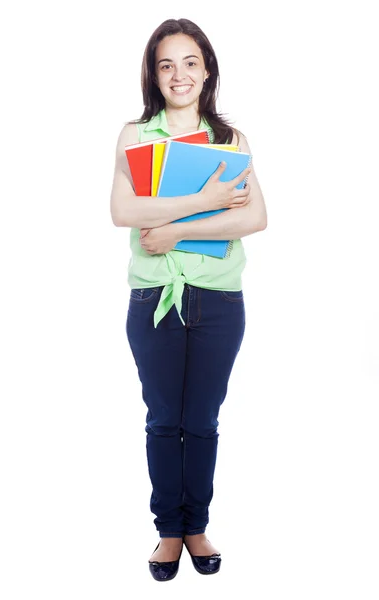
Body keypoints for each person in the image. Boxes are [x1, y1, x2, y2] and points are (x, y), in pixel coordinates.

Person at [110, 18, 267, 581]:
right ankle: (168, 532)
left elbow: (255, 216)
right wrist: (206, 201)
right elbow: (123, 213)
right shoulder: (136, 136)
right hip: (154, 297)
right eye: (166, 64)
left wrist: (172, 228)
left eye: (190, 63)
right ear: (155, 74)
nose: (179, 75)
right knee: (162, 419)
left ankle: (196, 524)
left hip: (218, 303)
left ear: (208, 70)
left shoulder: (231, 141)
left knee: (201, 420)